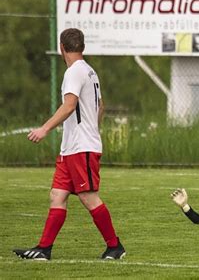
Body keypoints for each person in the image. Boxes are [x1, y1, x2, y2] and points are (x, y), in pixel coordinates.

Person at [13, 28, 125, 261]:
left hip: (81, 147)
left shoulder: (74, 71)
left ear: (61, 47)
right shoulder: (90, 71)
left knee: (88, 197)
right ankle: (44, 249)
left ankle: (115, 247)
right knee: (57, 195)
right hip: (72, 147)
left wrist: (44, 128)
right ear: (82, 46)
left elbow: (69, 105)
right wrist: (93, 128)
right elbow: (100, 106)